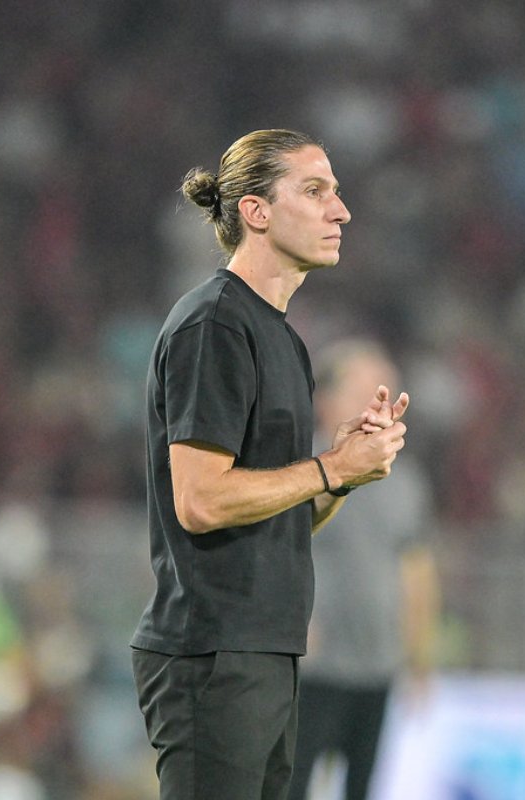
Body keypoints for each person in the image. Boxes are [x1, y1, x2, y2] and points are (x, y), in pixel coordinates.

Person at [130, 129, 410, 800]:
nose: (339, 210)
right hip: (212, 651)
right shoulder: (213, 325)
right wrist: (327, 467)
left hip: (266, 653)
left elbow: (274, 517)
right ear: (255, 212)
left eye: (337, 192)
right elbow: (199, 501)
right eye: (314, 191)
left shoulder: (284, 339)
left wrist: (342, 472)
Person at [288, 339, 441, 800]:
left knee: (363, 785)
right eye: (364, 389)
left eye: (387, 390)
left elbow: (416, 569)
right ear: (326, 399)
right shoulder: (298, 466)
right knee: (292, 780)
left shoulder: (405, 480)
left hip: (378, 664)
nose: (378, 401)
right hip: (312, 665)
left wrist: (418, 655)